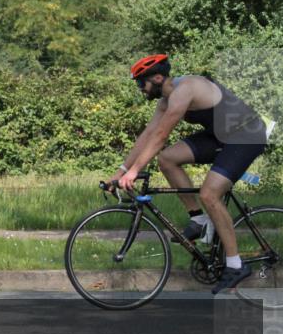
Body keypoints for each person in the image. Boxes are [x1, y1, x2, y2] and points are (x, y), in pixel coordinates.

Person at [112, 54, 269, 293]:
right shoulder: (165, 100)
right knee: (167, 158)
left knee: (210, 195)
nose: (139, 88)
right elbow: (148, 135)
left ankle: (235, 265)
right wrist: (121, 171)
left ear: (156, 77)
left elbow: (161, 136)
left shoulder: (185, 90)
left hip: (245, 136)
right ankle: (198, 220)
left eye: (140, 82)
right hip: (220, 136)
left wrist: (134, 172)